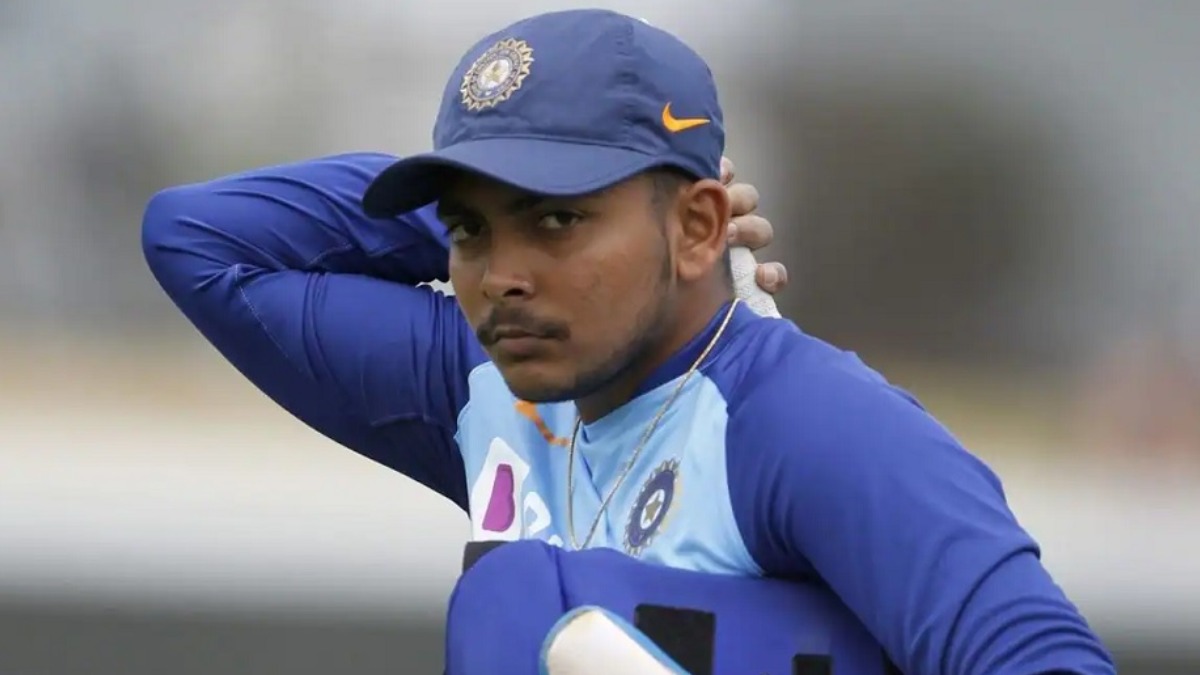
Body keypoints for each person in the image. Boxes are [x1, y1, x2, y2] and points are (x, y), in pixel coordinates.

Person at [142, 8, 1114, 674]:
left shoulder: (808, 421)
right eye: (471, 230)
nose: (502, 274)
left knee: (521, 605)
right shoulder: (485, 379)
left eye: (556, 219)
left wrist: (645, 231)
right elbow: (200, 240)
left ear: (701, 225)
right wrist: (494, 214)